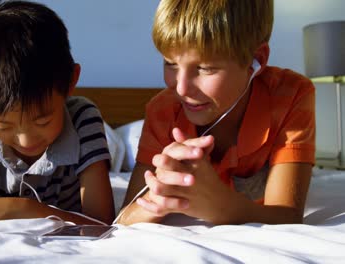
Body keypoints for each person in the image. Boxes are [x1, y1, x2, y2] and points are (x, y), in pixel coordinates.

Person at [117, 0, 315, 225]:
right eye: (170, 63)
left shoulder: (292, 95)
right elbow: (125, 216)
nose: (181, 88)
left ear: (256, 61)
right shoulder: (162, 111)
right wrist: (157, 198)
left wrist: (221, 208)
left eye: (205, 68)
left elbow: (287, 216)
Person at [0, 0, 115, 227]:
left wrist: (26, 209)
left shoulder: (83, 119)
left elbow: (100, 225)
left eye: (43, 120)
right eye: (3, 125)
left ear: (71, 82)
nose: (26, 139)